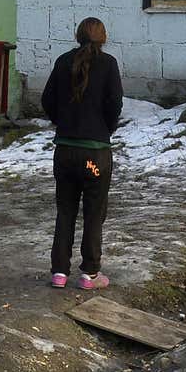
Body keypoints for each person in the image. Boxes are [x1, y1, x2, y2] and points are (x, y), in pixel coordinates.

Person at [40, 17, 124, 290]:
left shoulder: (63, 61)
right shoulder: (109, 64)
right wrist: (104, 130)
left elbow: (47, 100)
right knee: (94, 212)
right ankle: (89, 274)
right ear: (103, 37)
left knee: (65, 210)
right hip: (95, 157)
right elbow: (115, 103)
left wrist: (62, 122)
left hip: (65, 152)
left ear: (78, 35)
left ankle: (59, 273)